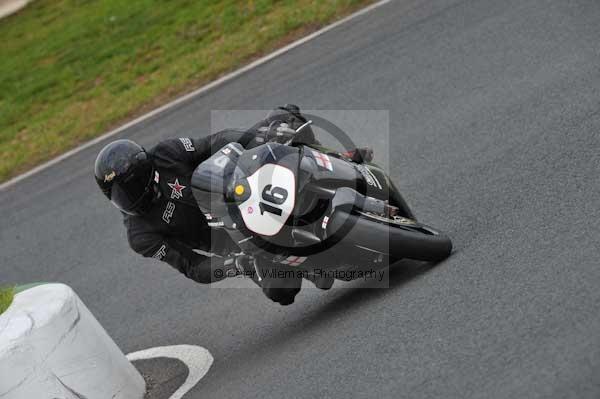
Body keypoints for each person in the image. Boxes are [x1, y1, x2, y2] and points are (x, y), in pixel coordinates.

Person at [94, 105, 368, 305]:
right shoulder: (140, 236)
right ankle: (308, 262)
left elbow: (214, 142)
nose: (128, 198)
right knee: (281, 291)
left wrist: (260, 138)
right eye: (119, 194)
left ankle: (335, 158)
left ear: (147, 170)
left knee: (283, 118)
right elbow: (192, 266)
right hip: (238, 243)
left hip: (243, 191)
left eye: (130, 187)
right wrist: (234, 264)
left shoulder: (166, 154)